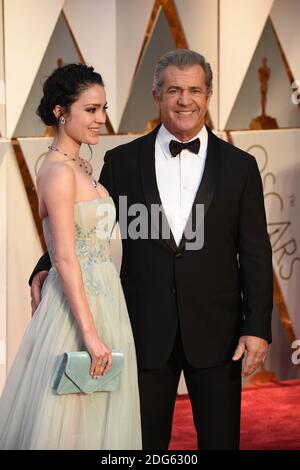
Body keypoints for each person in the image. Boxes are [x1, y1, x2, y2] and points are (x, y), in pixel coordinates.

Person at [29, 50, 273, 450]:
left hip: (218, 333)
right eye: (174, 89)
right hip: (141, 329)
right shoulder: (122, 161)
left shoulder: (240, 167)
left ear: (208, 96)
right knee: (142, 447)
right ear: (156, 96)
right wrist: (44, 266)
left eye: (195, 89)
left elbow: (256, 252)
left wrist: (257, 326)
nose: (185, 100)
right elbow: (90, 221)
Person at [0, 63, 142, 450]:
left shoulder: (81, 165)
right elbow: (64, 257)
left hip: (105, 300)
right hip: (75, 311)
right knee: (68, 417)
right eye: (90, 110)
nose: (101, 120)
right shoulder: (59, 171)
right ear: (61, 111)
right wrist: (90, 333)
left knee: (96, 416)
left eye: (103, 109)